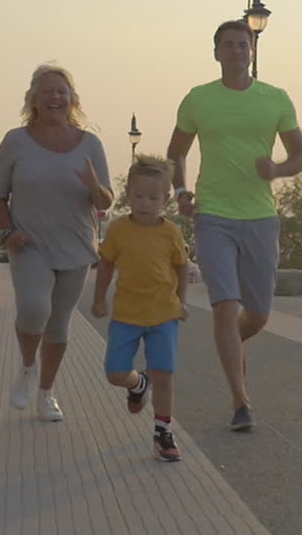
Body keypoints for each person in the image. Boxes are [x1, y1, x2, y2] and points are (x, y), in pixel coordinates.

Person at [167, 19, 302, 432]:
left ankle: (228, 345)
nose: (237, 50)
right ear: (216, 53)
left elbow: (301, 154)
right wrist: (180, 191)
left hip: (261, 216)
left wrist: (278, 169)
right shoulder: (198, 100)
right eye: (228, 45)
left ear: (253, 51)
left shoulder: (275, 99)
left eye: (243, 44)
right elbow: (177, 151)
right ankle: (240, 401)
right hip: (213, 214)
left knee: (259, 314)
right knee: (224, 307)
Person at [0, 65, 112, 422]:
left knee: (58, 324)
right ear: (34, 100)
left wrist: (92, 182)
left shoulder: (90, 144)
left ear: (72, 99)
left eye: (61, 92)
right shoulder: (16, 140)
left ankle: (46, 392)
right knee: (33, 307)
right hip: (30, 244)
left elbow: (105, 201)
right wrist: (7, 231)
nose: (55, 98)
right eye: (47, 92)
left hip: (76, 245)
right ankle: (28, 366)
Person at [91, 155, 189, 462]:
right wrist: (98, 298)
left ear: (165, 199)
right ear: (128, 194)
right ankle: (137, 384)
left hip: (163, 314)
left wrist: (181, 301)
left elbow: (182, 267)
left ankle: (163, 432)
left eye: (153, 197)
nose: (145, 203)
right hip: (127, 315)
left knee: (164, 374)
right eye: (138, 196)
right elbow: (106, 264)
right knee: (115, 372)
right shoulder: (120, 230)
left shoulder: (171, 232)